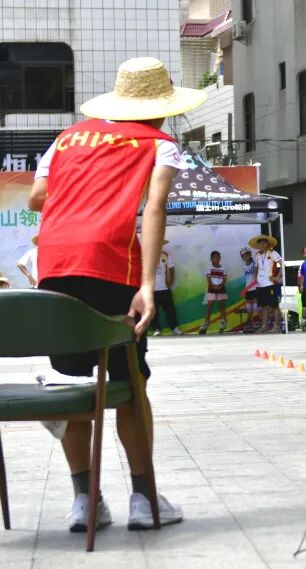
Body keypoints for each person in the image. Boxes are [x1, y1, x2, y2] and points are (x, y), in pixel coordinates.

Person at [27, 57, 203, 532]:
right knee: (129, 386)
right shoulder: (160, 145)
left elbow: (37, 197)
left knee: (72, 386)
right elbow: (155, 208)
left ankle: (85, 501)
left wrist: (84, 198)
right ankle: (144, 499)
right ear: (162, 107)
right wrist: (146, 285)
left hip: (57, 264)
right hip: (111, 265)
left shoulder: (67, 139)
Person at [249, 234, 282, 333]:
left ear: (267, 244)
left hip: (270, 283)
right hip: (260, 284)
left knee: (274, 305)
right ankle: (265, 326)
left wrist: (277, 277)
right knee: (263, 306)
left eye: (264, 243)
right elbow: (256, 268)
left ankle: (277, 326)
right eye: (260, 243)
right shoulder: (257, 255)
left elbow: (282, 264)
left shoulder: (273, 253)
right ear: (258, 245)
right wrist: (255, 279)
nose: (262, 245)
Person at [151, 240, 182, 335]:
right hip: (152, 290)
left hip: (165, 288)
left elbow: (172, 269)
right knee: (153, 311)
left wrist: (171, 282)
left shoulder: (166, 255)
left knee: (170, 310)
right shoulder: (147, 256)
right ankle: (156, 329)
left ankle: (174, 328)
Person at [199, 251, 228, 334]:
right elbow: (208, 280)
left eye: (217, 257)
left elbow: (224, 279)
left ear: (220, 258)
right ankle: (206, 323)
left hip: (221, 289)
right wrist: (213, 286)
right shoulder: (208, 268)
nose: (216, 259)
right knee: (209, 306)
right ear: (211, 259)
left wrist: (220, 286)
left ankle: (223, 323)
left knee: (221, 307)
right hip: (211, 289)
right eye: (214, 257)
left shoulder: (224, 268)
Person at [239, 246, 259, 332]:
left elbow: (255, 280)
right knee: (249, 308)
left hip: (255, 288)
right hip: (248, 290)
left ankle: (261, 322)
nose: (245, 256)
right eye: (243, 255)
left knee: (256, 307)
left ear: (250, 254)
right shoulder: (244, 266)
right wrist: (246, 289)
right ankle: (250, 323)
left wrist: (245, 290)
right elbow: (248, 279)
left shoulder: (255, 264)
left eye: (246, 254)